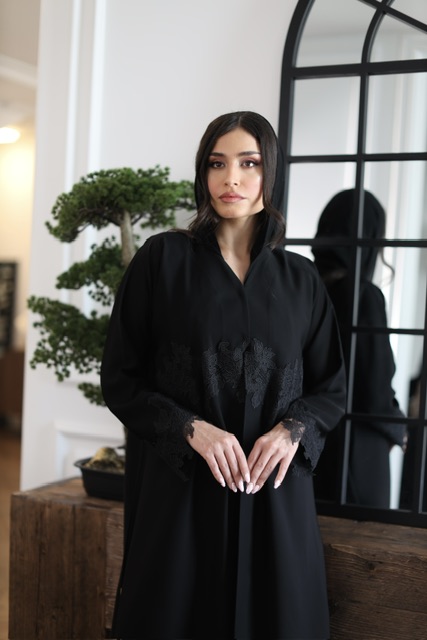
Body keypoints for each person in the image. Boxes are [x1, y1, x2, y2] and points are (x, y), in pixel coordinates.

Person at [101, 111, 346, 639]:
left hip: (274, 500)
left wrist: (291, 431)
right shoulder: (162, 261)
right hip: (182, 498)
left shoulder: (301, 280)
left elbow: (332, 388)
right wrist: (191, 428)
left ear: (269, 173)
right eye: (217, 164)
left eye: (248, 163)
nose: (231, 178)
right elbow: (120, 377)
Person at [312, 189, 407, 509]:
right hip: (358, 451)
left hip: (310, 446)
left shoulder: (303, 287)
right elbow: (375, 387)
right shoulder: (363, 296)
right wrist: (398, 427)